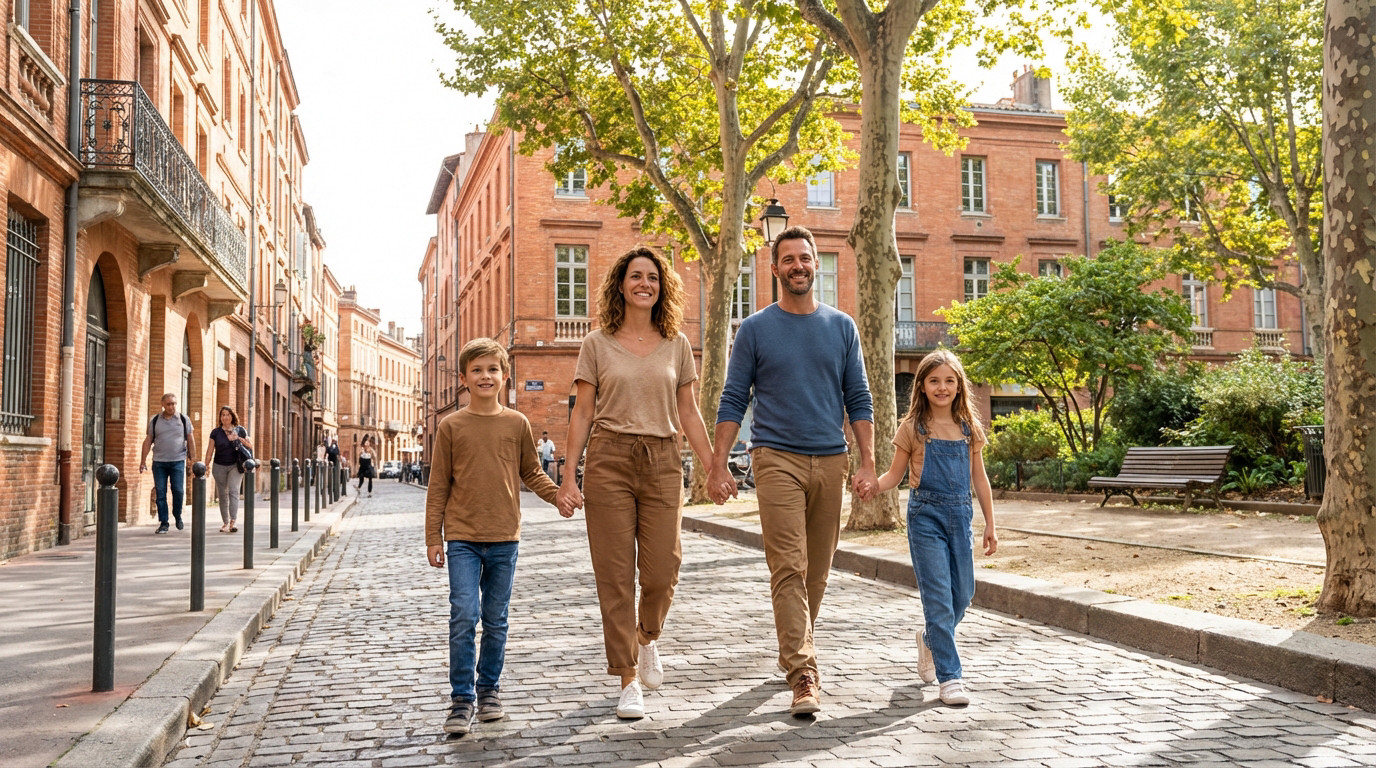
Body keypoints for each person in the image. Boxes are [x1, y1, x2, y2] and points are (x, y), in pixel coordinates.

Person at [708, 226, 876, 717]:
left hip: (831, 459)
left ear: (815, 263)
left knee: (817, 573)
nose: (798, 266)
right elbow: (734, 398)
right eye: (789, 259)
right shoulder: (755, 329)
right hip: (775, 457)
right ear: (774, 266)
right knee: (788, 566)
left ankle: (795, 648)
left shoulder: (842, 327)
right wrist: (717, 464)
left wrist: (867, 462)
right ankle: (803, 672)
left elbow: (859, 398)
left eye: (805, 258)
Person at [557, 246, 716, 720]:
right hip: (609, 460)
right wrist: (568, 476)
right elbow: (582, 413)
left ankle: (647, 637)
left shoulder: (677, 344)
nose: (644, 283)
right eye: (635, 276)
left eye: (652, 277)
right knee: (614, 575)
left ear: (661, 287)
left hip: (664, 460)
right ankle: (628, 678)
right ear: (621, 285)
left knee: (663, 569)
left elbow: (688, 412)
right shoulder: (597, 343)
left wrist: (713, 466)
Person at [426, 337, 564, 736]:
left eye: (492, 370)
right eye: (477, 370)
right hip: (463, 540)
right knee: (464, 616)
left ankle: (489, 691)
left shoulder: (517, 423)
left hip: (505, 537)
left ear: (504, 376)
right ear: (463, 379)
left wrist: (559, 497)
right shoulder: (450, 426)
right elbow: (438, 485)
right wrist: (434, 537)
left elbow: (532, 472)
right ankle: (461, 698)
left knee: (496, 620)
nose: (485, 376)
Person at [871, 349, 996, 707]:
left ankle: (930, 639)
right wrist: (871, 485)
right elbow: (895, 476)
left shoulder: (969, 428)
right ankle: (951, 677)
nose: (942, 387)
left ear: (959, 387)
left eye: (949, 381)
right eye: (934, 381)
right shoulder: (912, 428)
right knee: (939, 599)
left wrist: (990, 522)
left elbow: (980, 478)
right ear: (922, 387)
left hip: (960, 517)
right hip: (925, 517)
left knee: (964, 594)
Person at [139, 393, 197, 534]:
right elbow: (148, 440)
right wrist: (142, 461)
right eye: (169, 404)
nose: (172, 406)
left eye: (174, 404)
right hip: (159, 462)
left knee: (178, 490)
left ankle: (177, 515)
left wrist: (193, 459)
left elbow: (190, 439)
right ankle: (164, 522)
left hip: (177, 461)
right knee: (160, 493)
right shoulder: (154, 420)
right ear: (163, 404)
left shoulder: (183, 419)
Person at [204, 406, 252, 533]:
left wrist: (237, 438)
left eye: (228, 414)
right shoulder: (215, 432)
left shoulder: (240, 430)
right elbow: (210, 450)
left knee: (233, 491)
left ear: (232, 416)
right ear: (220, 417)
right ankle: (225, 521)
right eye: (223, 415)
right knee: (222, 494)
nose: (225, 417)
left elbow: (249, 446)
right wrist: (206, 465)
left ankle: (233, 521)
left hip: (235, 465)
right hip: (219, 466)